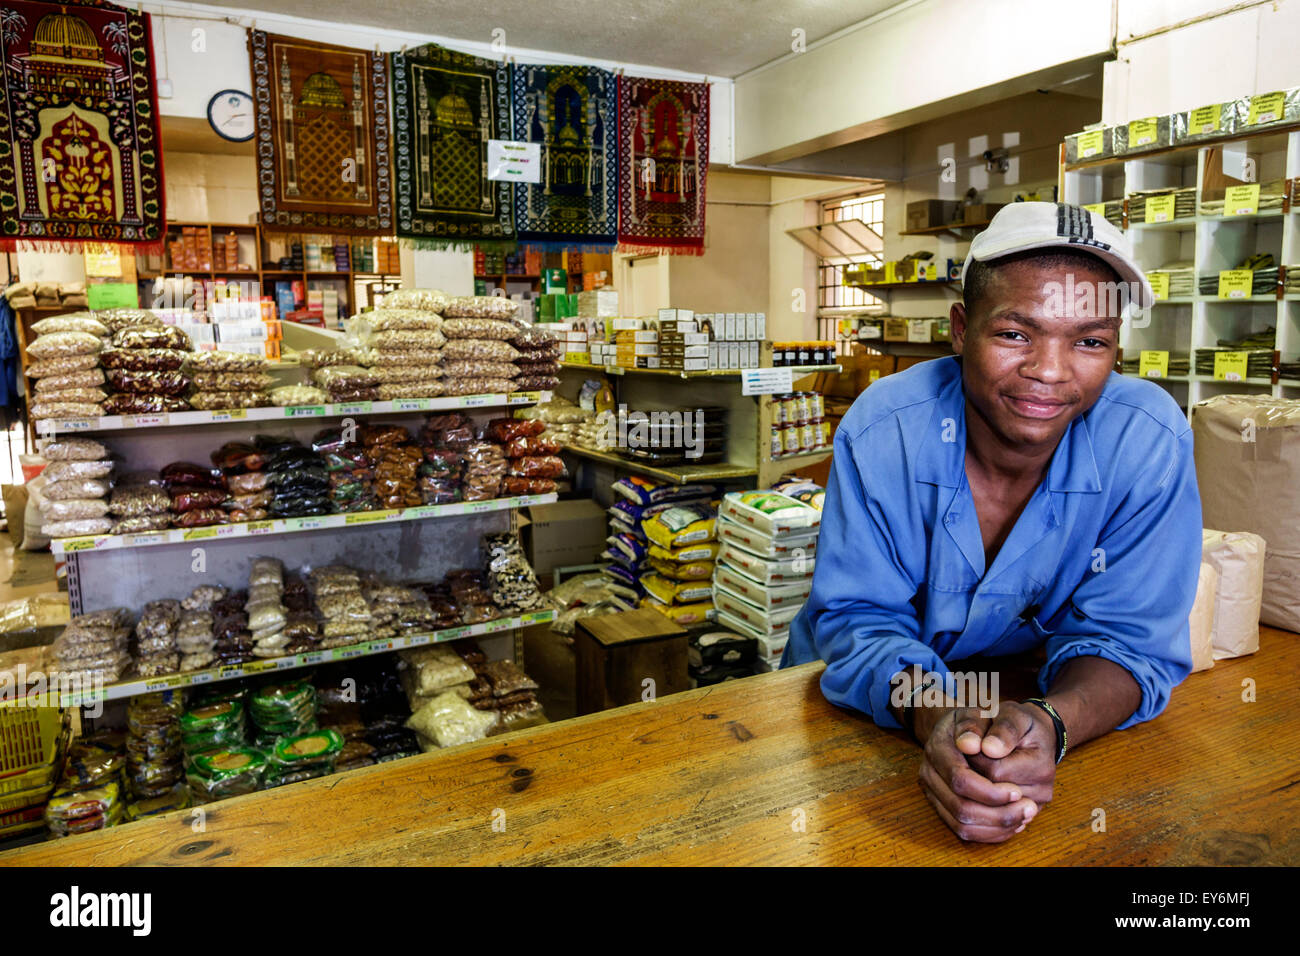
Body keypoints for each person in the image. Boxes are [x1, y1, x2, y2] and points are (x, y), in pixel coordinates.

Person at [782, 202, 1202, 843]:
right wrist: (940, 712)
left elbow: (1130, 641)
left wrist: (1050, 724)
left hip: (1025, 697)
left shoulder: (1145, 439)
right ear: (960, 329)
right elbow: (861, 623)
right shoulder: (886, 429)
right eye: (1015, 334)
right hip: (864, 711)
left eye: (1090, 341)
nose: (1050, 371)